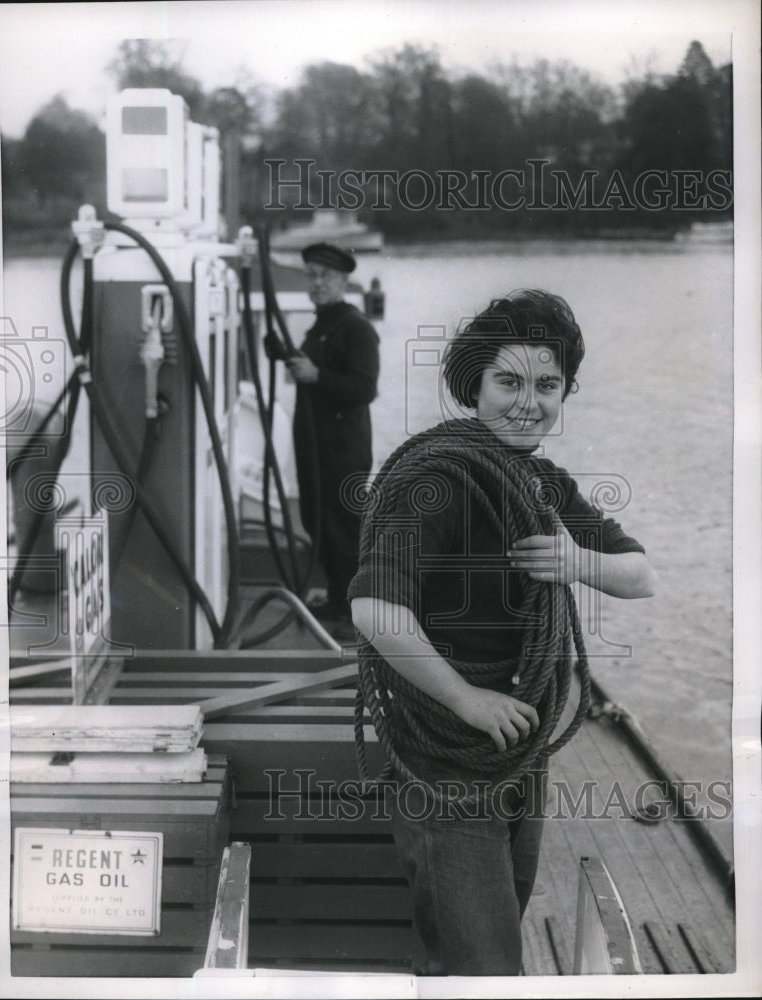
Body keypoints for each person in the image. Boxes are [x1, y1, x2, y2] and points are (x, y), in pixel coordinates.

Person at [348, 289, 656, 976]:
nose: (528, 401)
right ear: (474, 387)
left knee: (494, 934)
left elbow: (641, 576)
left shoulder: (546, 484)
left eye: (547, 385)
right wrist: (465, 699)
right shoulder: (433, 482)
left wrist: (579, 560)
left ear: (565, 392)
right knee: (485, 963)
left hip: (521, 749)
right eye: (508, 381)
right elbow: (374, 612)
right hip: (448, 758)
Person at [267, 241, 380, 634]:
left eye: (325, 277)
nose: (316, 284)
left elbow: (364, 388)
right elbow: (313, 368)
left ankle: (352, 611)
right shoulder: (323, 323)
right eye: (311, 276)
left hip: (341, 448)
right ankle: (336, 596)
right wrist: (284, 354)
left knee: (342, 526)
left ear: (343, 281)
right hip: (314, 444)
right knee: (317, 520)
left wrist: (317, 377)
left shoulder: (355, 326)